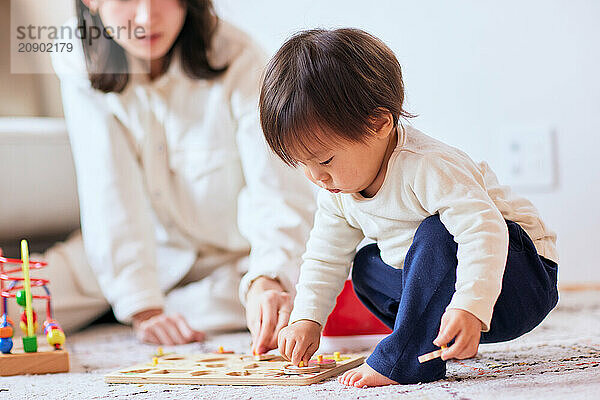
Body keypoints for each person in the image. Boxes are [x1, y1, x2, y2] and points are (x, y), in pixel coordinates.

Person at [259, 28, 559, 386]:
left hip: (519, 280)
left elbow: (484, 231)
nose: (316, 177)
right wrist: (306, 318)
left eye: (324, 160)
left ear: (380, 123)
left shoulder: (429, 167)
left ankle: (405, 357)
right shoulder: (337, 191)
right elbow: (324, 256)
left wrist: (470, 306)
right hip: (451, 292)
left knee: (437, 231)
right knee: (366, 265)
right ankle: (432, 337)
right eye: (302, 164)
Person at [41, 0, 315, 351]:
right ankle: (129, 305)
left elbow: (278, 194)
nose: (146, 17)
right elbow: (108, 191)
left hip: (228, 262)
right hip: (125, 253)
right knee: (20, 303)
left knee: (278, 293)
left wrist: (268, 279)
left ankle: (129, 309)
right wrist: (143, 307)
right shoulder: (78, 53)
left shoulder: (241, 58)